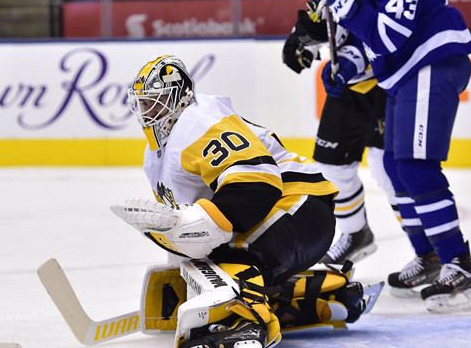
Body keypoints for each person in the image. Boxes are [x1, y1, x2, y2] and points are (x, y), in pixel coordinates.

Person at [112, 55, 381, 348]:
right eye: (144, 102)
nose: (148, 110)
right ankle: (321, 296)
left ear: (181, 98)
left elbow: (255, 186)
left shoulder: (198, 122)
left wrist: (195, 228)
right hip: (286, 214)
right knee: (215, 260)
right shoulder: (156, 156)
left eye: (156, 101)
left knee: (233, 254)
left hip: (300, 205)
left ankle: (247, 325)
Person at [310, 0, 471, 312]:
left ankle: (460, 267)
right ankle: (428, 257)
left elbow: (390, 37)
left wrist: (345, 4)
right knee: (393, 166)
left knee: (415, 166)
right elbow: (368, 42)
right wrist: (348, 64)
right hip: (405, 71)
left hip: (430, 62)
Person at [282, 0, 392, 266]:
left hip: (387, 75)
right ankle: (356, 232)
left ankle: (428, 251)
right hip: (350, 75)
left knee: (388, 169)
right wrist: (304, 36)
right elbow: (327, 11)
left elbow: (381, 20)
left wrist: (353, 58)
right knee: (331, 164)